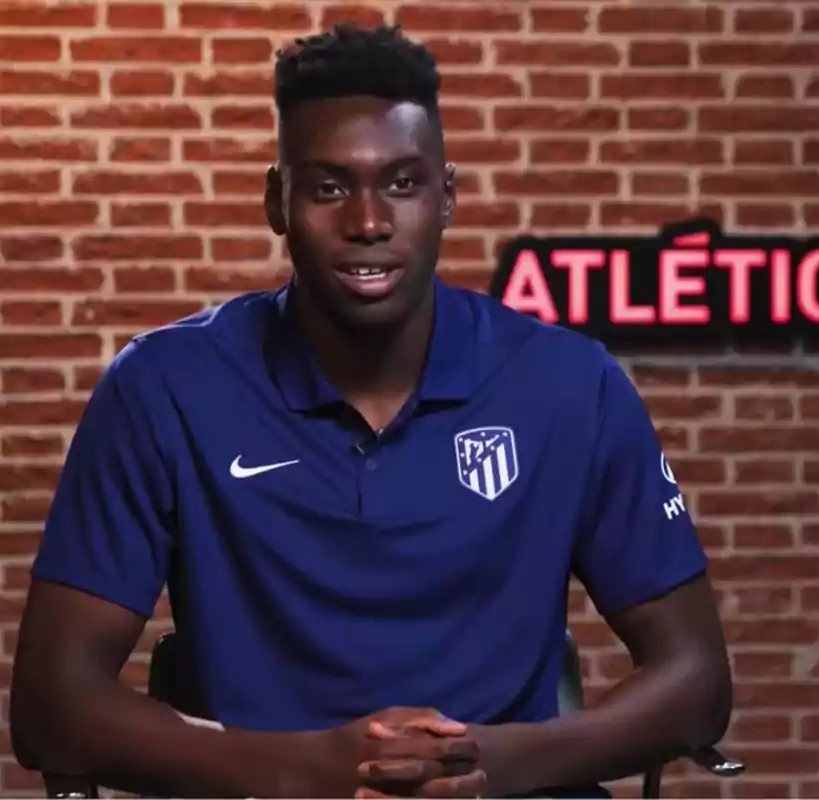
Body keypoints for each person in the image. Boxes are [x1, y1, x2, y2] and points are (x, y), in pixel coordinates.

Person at [10, 23, 732, 799]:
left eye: (401, 183)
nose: (368, 222)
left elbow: (697, 681)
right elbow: (52, 706)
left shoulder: (569, 383)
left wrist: (490, 765)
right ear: (276, 202)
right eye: (328, 188)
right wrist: (306, 772)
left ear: (446, 196)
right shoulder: (162, 387)